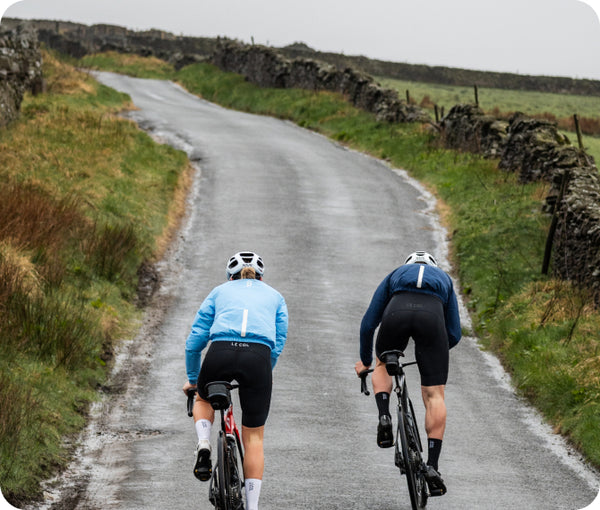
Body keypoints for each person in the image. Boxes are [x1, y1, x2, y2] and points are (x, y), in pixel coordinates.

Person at [182, 251, 288, 510]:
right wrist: (265, 372)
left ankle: (204, 442)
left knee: (203, 398)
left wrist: (195, 381)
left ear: (230, 276)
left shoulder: (219, 291)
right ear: (261, 277)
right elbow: (278, 343)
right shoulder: (275, 296)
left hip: (220, 352)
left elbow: (194, 342)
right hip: (258, 358)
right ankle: (252, 506)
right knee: (254, 438)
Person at [354, 250, 461, 496]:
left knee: (383, 365)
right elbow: (454, 333)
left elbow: (369, 323)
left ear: (408, 265)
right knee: (435, 395)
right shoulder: (444, 279)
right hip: (432, 319)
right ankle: (432, 466)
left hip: (396, 313)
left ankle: (384, 417)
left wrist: (366, 361)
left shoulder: (396, 274)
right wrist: (431, 353)